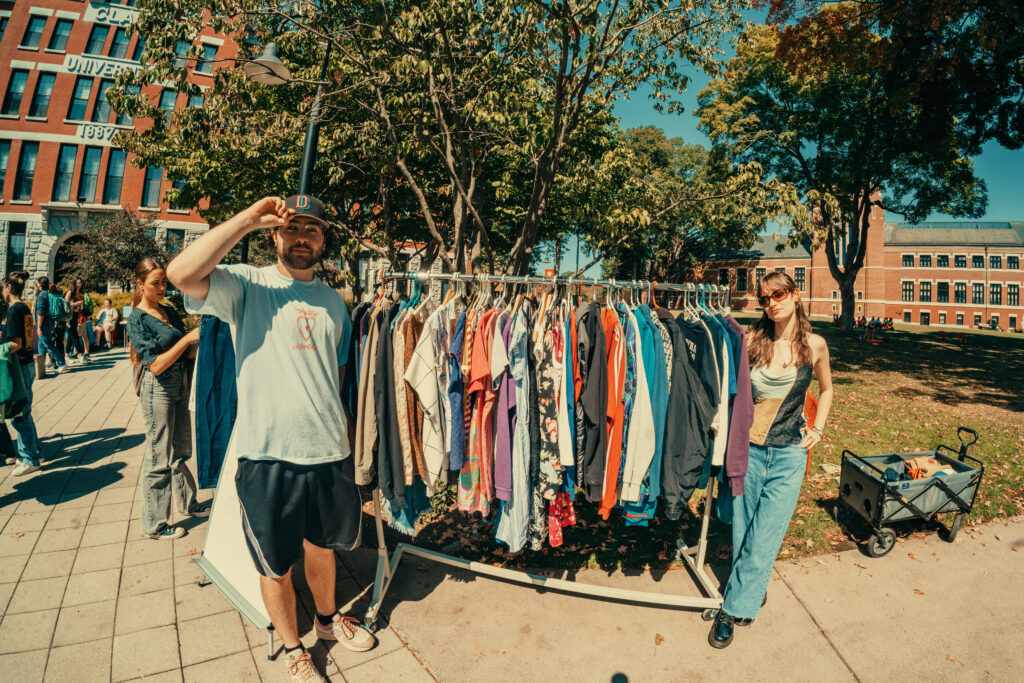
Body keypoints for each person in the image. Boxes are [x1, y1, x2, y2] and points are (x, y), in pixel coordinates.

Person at [167, 195, 377, 682]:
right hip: (266, 457)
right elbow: (180, 274)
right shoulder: (246, 284)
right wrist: (247, 218)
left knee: (323, 549)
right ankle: (293, 649)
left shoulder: (334, 302)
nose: (302, 238)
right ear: (274, 236)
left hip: (328, 453)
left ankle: (326, 624)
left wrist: (349, 445)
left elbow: (336, 378)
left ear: (324, 242)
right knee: (274, 562)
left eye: (313, 231)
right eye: (292, 229)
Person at [709, 271, 834, 649]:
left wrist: (819, 429)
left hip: (788, 455)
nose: (772, 302)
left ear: (795, 295)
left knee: (766, 534)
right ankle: (750, 587)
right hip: (748, 448)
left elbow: (827, 389)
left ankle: (730, 609)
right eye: (765, 298)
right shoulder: (751, 341)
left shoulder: (814, 345)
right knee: (743, 529)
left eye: (779, 294)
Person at [127, 258, 209, 540]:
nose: (162, 288)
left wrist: (207, 344)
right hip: (158, 388)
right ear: (140, 284)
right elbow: (156, 364)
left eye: (164, 282)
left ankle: (188, 503)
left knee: (180, 450)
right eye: (156, 283)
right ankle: (155, 524)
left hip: (179, 384)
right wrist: (187, 340)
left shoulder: (169, 310)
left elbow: (184, 352)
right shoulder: (136, 319)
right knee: (158, 456)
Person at [3, 271, 44, 476]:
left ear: (9, 288)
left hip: (18, 366)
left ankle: (30, 458)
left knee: (18, 414)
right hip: (27, 364)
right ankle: (33, 452)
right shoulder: (25, 307)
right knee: (24, 411)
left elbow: (15, 344)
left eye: (2, 288)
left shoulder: (13, 310)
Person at [33, 277, 68, 374]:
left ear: (40, 284)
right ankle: (40, 367)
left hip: (43, 325)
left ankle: (61, 363)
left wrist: (39, 327)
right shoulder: (48, 294)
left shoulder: (41, 296)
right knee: (41, 346)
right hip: (49, 323)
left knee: (49, 345)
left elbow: (40, 312)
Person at [65, 278, 92, 363]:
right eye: (77, 283)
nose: (79, 285)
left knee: (70, 336)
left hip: (75, 315)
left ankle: (66, 356)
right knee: (75, 335)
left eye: (80, 283)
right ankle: (80, 355)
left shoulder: (80, 292)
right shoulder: (70, 292)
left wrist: (79, 307)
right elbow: (65, 304)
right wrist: (77, 304)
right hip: (69, 316)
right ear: (74, 283)